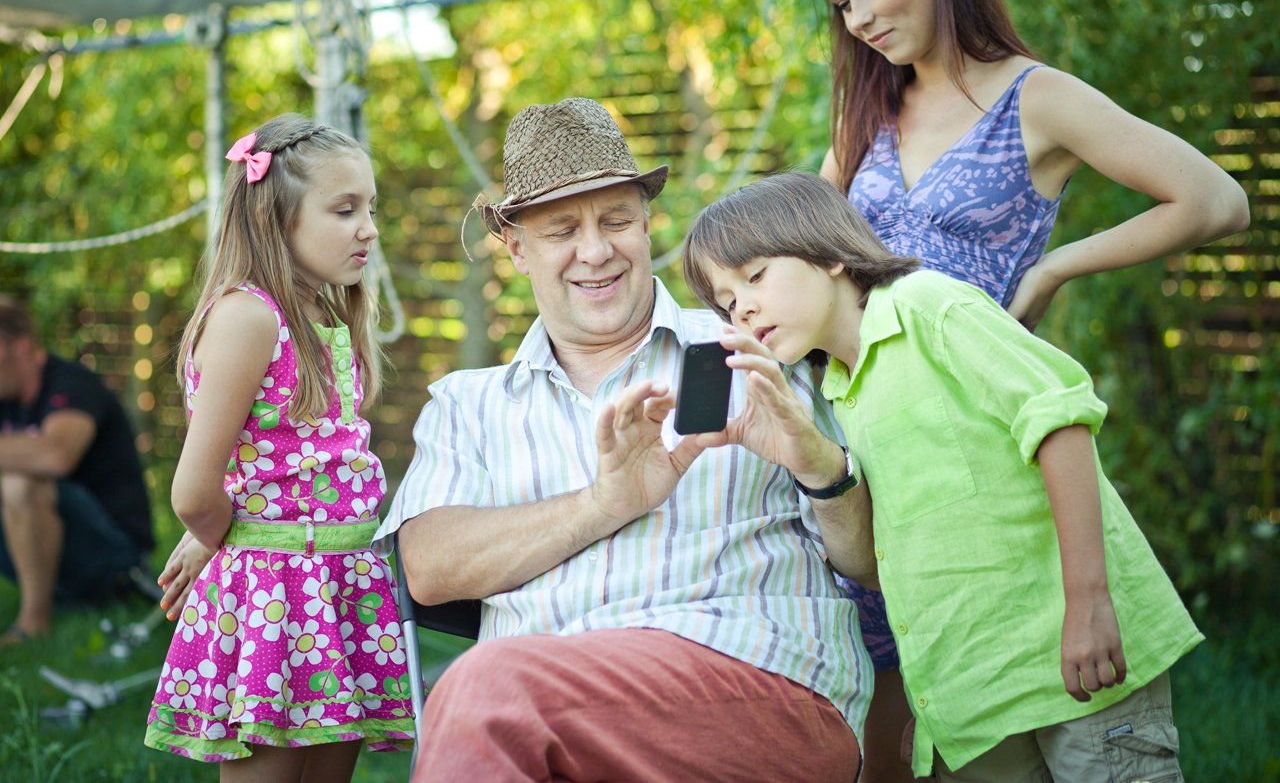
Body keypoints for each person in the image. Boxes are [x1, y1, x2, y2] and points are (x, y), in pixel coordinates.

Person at [804, 0, 1249, 776]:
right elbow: (797, 254)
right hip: (892, 476)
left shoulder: (1032, 99)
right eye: (840, 3)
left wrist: (1051, 268)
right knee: (902, 746)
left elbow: (1215, 200)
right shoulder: (864, 113)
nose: (859, 17)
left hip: (996, 463)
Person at [375, 97, 874, 781]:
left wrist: (823, 468)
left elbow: (868, 560)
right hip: (538, 720)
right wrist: (606, 501)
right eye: (561, 230)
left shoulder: (751, 344)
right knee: (494, 690)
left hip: (756, 680)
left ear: (646, 222)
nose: (596, 250)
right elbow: (427, 569)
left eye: (615, 219)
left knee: (486, 687)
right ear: (516, 247)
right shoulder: (467, 404)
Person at [682, 170, 1204, 782]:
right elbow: (904, 560)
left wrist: (1089, 603)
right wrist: (935, 703)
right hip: (979, 700)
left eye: (754, 276)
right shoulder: (836, 391)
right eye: (724, 301)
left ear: (825, 254)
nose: (740, 306)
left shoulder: (925, 307)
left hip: (1079, 662)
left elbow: (1059, 421)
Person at [143, 114, 413, 780]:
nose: (368, 228)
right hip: (275, 593)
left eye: (370, 208)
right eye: (345, 209)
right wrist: (218, 537)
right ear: (276, 219)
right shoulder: (249, 317)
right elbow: (193, 489)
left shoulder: (327, 314)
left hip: (340, 582)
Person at [0, 296, 155, 645]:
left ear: (21, 346)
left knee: (20, 482)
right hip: (54, 555)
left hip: (114, 556)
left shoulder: (73, 383)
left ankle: (33, 623)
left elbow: (56, 455)